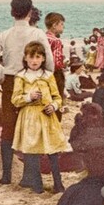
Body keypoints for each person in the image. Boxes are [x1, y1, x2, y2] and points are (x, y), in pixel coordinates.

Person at [0, 0, 54, 185]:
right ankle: (29, 175)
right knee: (31, 127)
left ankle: (6, 175)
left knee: (9, 128)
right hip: (31, 81)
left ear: (12, 12)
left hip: (11, 82)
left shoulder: (4, 34)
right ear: (30, 12)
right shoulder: (37, 34)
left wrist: (0, 74)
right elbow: (50, 63)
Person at [11, 41, 68, 194]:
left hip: (47, 117)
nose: (34, 61)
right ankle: (37, 184)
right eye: (31, 57)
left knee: (53, 152)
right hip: (30, 117)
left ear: (43, 58)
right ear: (25, 58)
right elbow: (15, 99)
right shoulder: (21, 76)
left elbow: (57, 97)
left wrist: (54, 106)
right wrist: (29, 97)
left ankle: (58, 183)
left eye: (38, 57)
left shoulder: (48, 76)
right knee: (33, 152)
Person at [45, 12, 66, 112]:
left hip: (44, 73)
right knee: (57, 98)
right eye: (61, 24)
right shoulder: (56, 41)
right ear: (54, 25)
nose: (63, 26)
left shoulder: (43, 37)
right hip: (55, 74)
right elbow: (57, 63)